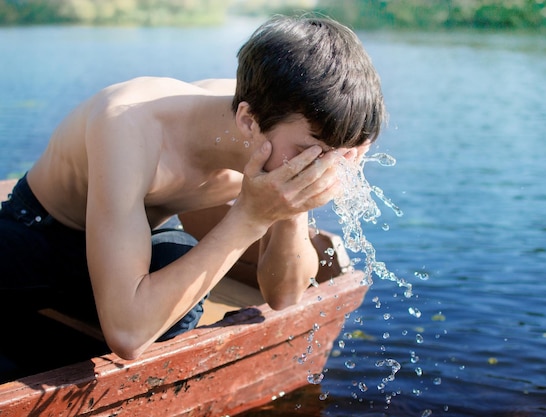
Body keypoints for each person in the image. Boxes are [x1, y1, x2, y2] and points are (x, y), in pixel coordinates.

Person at [0, 14, 385, 360]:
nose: (321, 167)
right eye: (308, 152)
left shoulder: (281, 131)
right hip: (41, 229)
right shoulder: (130, 124)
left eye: (337, 155)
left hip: (138, 233)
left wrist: (292, 206)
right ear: (248, 120)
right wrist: (250, 218)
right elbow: (127, 334)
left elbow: (283, 297)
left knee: (180, 297)